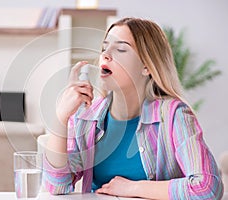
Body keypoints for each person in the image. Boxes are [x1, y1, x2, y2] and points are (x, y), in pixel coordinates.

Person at [43, 17, 224, 199]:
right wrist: (61, 118)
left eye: (120, 49)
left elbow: (207, 187)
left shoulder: (173, 115)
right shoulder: (87, 116)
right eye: (104, 48)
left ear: (146, 66)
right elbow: (56, 186)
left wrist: (133, 189)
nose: (105, 55)